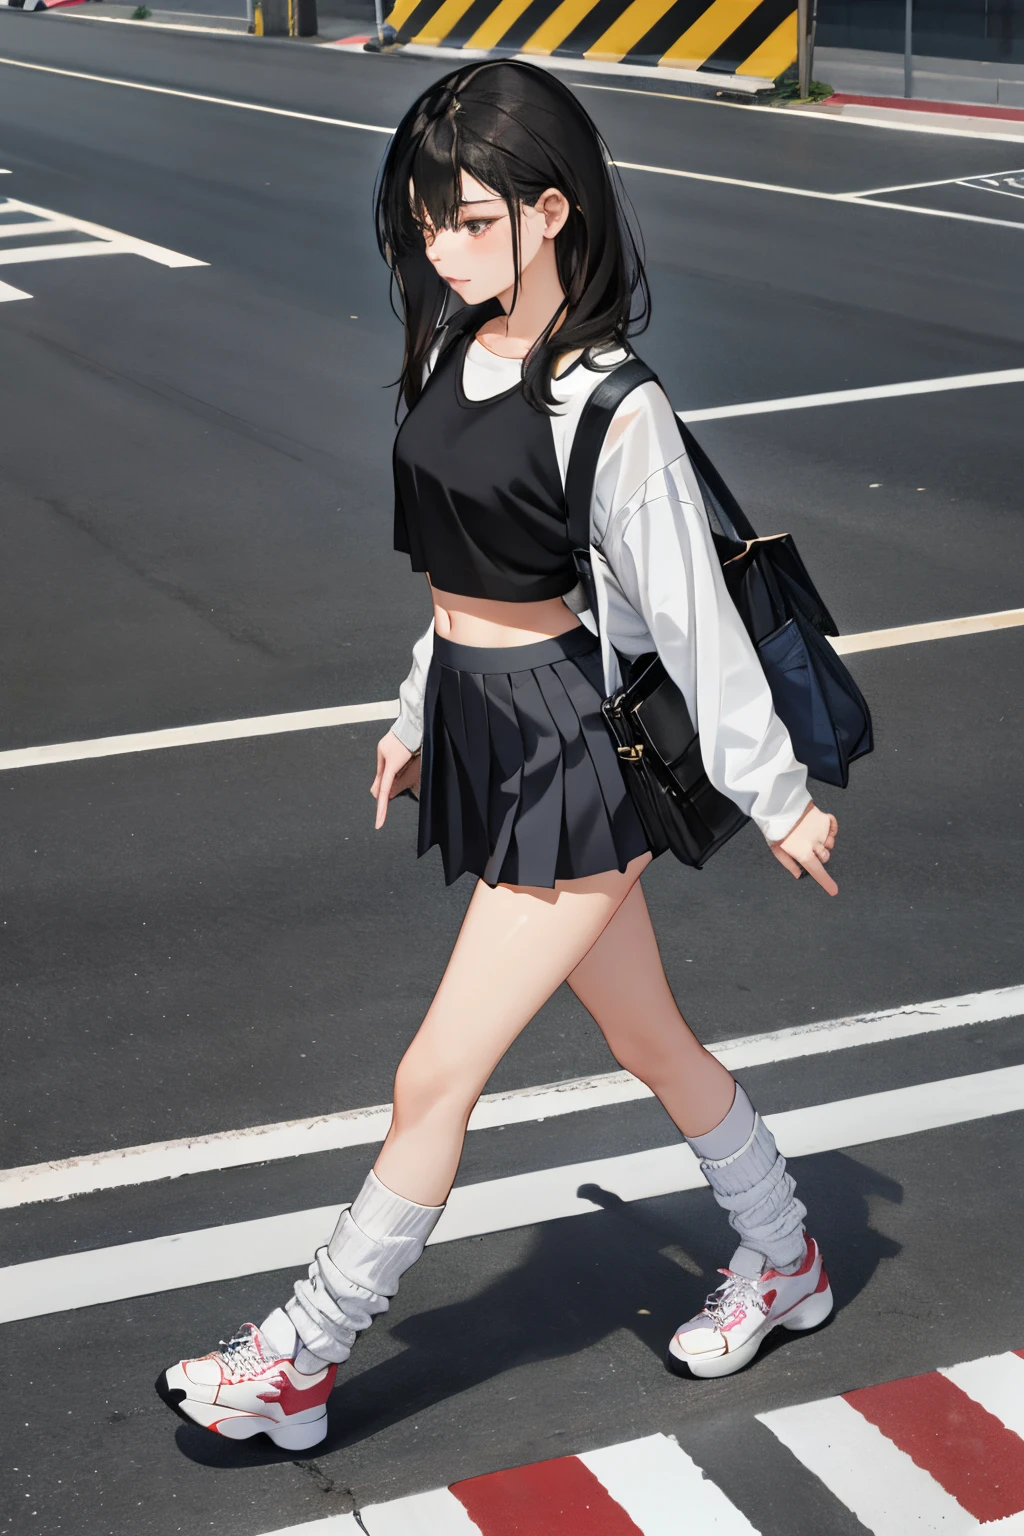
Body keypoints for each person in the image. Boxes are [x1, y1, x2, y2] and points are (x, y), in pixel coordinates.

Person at [158, 59, 839, 1453]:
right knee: (647, 1037)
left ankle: (303, 1354)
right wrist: (416, 713)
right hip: (483, 721)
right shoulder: (446, 351)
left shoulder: (609, 403)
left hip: (567, 749)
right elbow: (459, 581)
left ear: (550, 210)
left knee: (433, 1077)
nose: (441, 247)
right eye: (424, 222)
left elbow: (690, 622)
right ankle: (790, 1256)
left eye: (470, 221)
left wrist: (777, 795)